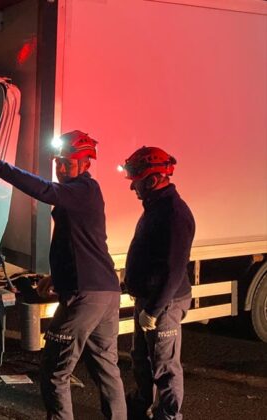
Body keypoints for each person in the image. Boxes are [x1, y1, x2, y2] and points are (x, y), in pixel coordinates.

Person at [0, 130, 125, 419]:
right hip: (103, 292)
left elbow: (44, 191)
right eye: (58, 162)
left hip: (85, 295)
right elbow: (75, 243)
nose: (60, 168)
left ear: (85, 164)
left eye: (67, 163)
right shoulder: (81, 193)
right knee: (106, 369)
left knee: (55, 370)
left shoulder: (83, 190)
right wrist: (55, 278)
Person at [119, 147, 194, 420]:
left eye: (136, 182)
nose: (133, 188)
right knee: (141, 357)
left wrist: (154, 309)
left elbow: (173, 270)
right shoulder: (156, 207)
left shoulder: (174, 214)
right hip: (150, 300)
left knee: (164, 365)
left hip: (165, 302)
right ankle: (142, 404)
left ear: (151, 180)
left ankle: (169, 415)